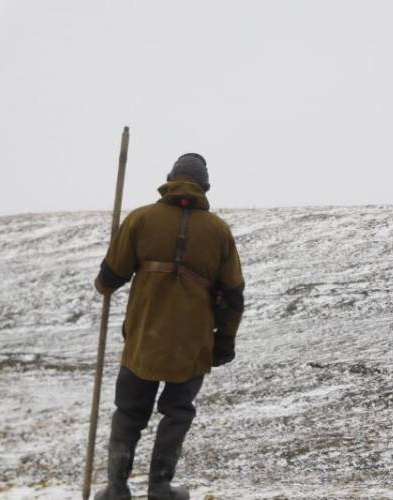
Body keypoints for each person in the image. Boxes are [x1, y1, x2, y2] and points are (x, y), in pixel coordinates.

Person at [93, 153, 245, 500]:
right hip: (191, 348)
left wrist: (103, 284)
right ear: (205, 186)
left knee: (129, 412)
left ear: (170, 178)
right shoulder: (219, 231)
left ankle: (117, 488)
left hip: (143, 341)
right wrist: (226, 340)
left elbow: (111, 276)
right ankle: (161, 488)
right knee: (177, 413)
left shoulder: (141, 219)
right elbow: (233, 294)